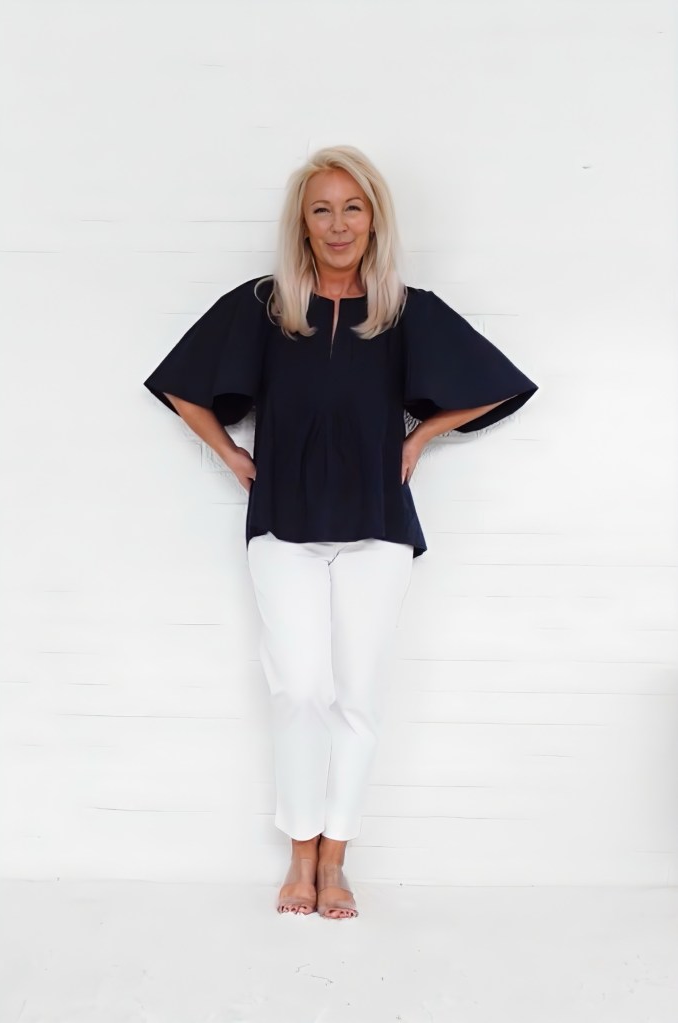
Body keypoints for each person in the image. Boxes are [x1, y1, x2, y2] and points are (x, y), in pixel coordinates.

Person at [143, 145, 539, 920]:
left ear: (374, 218)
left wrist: (420, 438)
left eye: (352, 207)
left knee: (357, 694)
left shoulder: (404, 309)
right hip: (283, 522)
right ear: (302, 221)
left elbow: (499, 383)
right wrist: (229, 455)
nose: (337, 224)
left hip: (377, 524)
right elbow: (178, 383)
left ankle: (336, 859)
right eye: (321, 208)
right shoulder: (265, 306)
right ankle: (298, 853)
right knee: (298, 687)